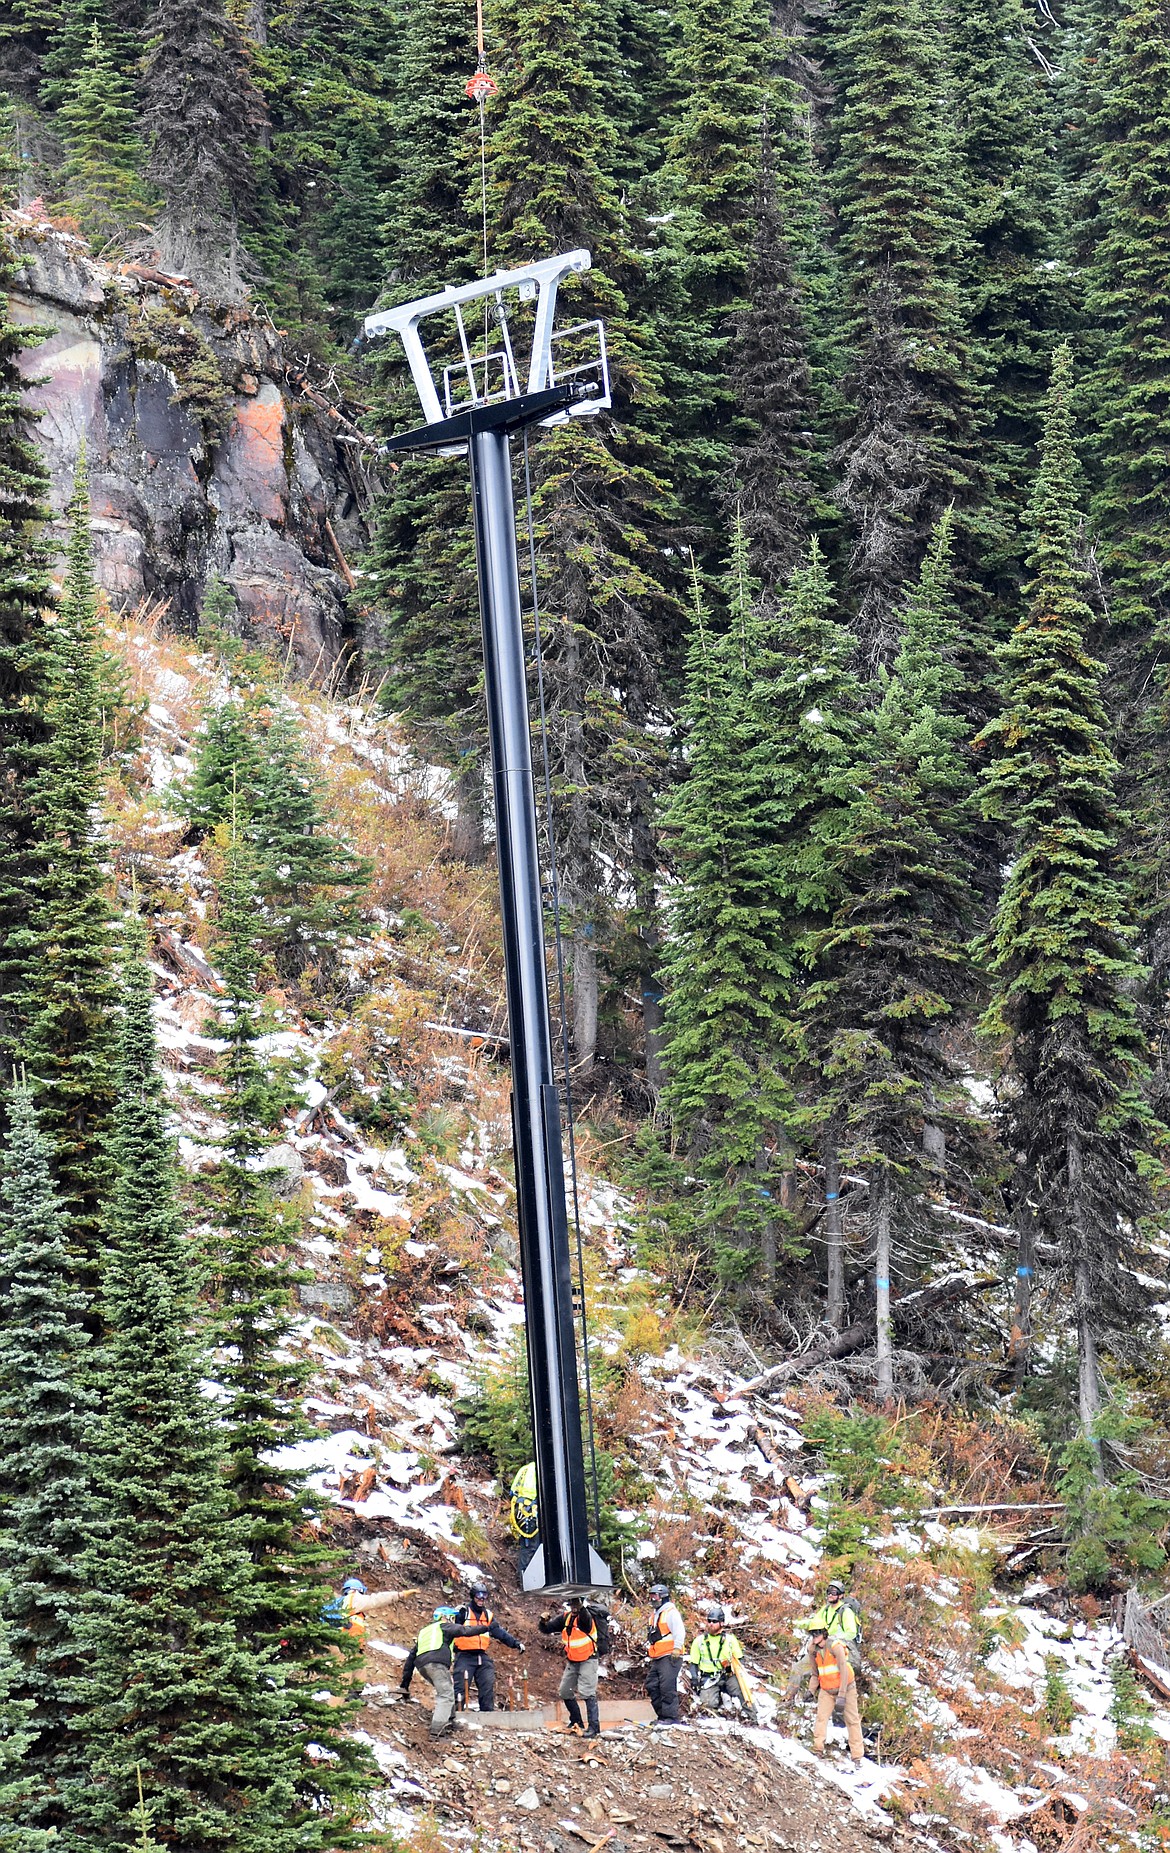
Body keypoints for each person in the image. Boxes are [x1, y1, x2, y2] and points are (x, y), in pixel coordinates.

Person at [539, 1596, 608, 1738]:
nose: (573, 1608)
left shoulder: (586, 1617)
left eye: (576, 1605)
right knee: (564, 1691)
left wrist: (581, 1607)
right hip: (573, 1660)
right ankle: (576, 1721)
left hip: (588, 1658)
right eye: (572, 1605)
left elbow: (585, 1621)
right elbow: (547, 1629)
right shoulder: (566, 1617)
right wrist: (543, 1622)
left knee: (587, 1692)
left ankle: (594, 1728)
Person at [452, 1583, 525, 1712]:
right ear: (473, 1596)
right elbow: (452, 1628)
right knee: (461, 1687)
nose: (481, 1598)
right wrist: (457, 1615)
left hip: (481, 1654)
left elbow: (499, 1633)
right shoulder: (464, 1612)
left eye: (484, 1595)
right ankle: (455, 1714)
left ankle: (487, 1714)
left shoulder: (488, 1615)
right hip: (464, 1655)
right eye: (478, 1595)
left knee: (487, 1683)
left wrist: (515, 1643)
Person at [800, 1625, 865, 1769]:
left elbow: (844, 1671)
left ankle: (857, 1757)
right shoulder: (813, 1650)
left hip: (846, 1688)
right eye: (812, 1634)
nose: (814, 1637)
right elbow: (815, 1674)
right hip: (826, 1690)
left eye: (817, 1634)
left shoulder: (836, 1647)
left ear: (824, 1634)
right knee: (821, 1718)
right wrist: (810, 1691)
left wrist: (842, 1696)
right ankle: (817, 1749)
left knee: (852, 1721)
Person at [686, 1604, 758, 1725]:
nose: (711, 1624)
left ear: (721, 1623)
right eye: (709, 1621)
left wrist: (731, 1666)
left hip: (727, 1675)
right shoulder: (699, 1641)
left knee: (743, 1692)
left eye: (714, 1621)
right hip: (708, 1678)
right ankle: (718, 1707)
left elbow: (740, 1659)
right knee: (707, 1703)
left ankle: (753, 1718)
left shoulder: (730, 1640)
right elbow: (694, 1663)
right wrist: (694, 1678)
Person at [401, 1606, 465, 1738]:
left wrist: (404, 1684)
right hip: (436, 1665)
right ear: (443, 1617)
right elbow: (464, 1630)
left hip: (423, 1665)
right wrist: (486, 1628)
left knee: (447, 1689)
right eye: (451, 1617)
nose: (453, 1620)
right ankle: (437, 1730)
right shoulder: (444, 1628)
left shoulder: (427, 1632)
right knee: (446, 1694)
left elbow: (411, 1657)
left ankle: (451, 1719)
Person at [645, 1582, 685, 1724]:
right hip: (658, 1656)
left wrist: (677, 1648)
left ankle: (670, 1717)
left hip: (670, 1655)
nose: (652, 1599)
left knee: (667, 1687)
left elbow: (679, 1631)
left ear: (663, 1597)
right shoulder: (655, 1615)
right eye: (651, 1596)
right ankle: (662, 1715)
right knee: (652, 1685)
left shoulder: (671, 1613)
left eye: (655, 1596)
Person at [509, 1462, 539, 1578]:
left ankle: (525, 1577)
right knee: (532, 1547)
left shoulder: (525, 1469)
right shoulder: (540, 1469)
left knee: (527, 1546)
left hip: (520, 1511)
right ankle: (527, 1579)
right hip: (531, 1512)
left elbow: (512, 1492)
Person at [322, 1576, 368, 1643]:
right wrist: (342, 1622)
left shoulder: (352, 1604)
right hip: (344, 1640)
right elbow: (324, 1614)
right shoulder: (344, 1601)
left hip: (352, 1643)